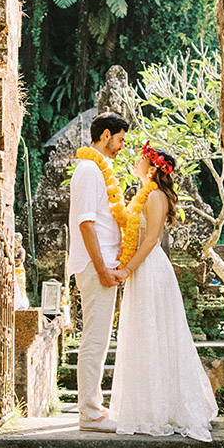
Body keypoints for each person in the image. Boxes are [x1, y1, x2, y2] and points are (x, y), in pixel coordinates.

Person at [110, 143, 218, 441]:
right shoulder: (143, 194)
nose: (136, 162)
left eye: (141, 159)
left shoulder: (155, 196)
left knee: (154, 333)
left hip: (150, 269)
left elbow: (151, 240)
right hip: (141, 268)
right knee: (143, 334)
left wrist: (126, 269)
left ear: (154, 168)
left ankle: (160, 409)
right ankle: (145, 406)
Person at [67, 111, 129, 431]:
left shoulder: (96, 169)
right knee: (95, 340)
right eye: (119, 140)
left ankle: (93, 407)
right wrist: (103, 269)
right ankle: (90, 412)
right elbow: (85, 224)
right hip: (95, 264)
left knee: (100, 338)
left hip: (102, 263)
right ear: (105, 135)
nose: (121, 147)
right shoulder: (89, 170)